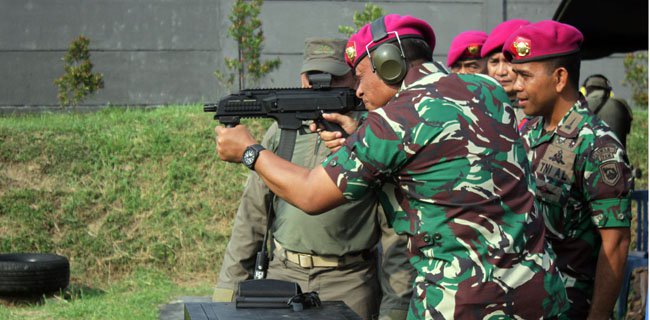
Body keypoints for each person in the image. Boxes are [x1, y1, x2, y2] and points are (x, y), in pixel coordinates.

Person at [215, 14, 568, 319]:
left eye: (362, 75)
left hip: (459, 301)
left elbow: (310, 193)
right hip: (538, 291)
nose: (359, 90)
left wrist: (250, 151)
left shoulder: (393, 119)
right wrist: (362, 136)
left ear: (389, 63)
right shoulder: (486, 88)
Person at [212, 37, 414, 320]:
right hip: (283, 276)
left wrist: (395, 309)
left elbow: (396, 235)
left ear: (352, 80)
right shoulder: (282, 134)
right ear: (302, 79)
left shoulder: (373, 137)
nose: (321, 86)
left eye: (333, 78)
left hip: (350, 281)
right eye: (314, 77)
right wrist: (226, 293)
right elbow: (252, 217)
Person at [504, 20, 633, 319]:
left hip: (570, 307)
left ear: (560, 78)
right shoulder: (529, 132)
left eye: (525, 75)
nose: (517, 85)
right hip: (525, 303)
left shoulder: (598, 146)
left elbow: (615, 245)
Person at [481, 19, 530, 126]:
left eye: (508, 62)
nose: (501, 72)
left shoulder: (538, 112)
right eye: (494, 62)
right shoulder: (479, 108)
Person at [581, 74, 633, 148]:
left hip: (587, 158)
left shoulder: (578, 107)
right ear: (609, 91)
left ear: (584, 90)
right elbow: (628, 130)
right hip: (618, 158)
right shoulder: (621, 105)